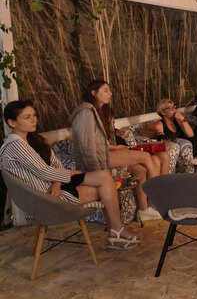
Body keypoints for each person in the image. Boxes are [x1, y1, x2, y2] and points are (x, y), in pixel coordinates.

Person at [0, 100, 140, 249]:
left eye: (34, 115)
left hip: (55, 185)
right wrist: (70, 173)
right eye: (27, 117)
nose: (33, 120)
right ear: (12, 122)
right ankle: (116, 231)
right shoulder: (15, 145)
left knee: (104, 176)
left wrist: (57, 182)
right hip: (46, 198)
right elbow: (44, 171)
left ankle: (116, 230)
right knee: (105, 188)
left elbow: (56, 164)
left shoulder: (32, 140)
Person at [70, 80, 167, 221]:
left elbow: (100, 137)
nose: (110, 93)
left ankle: (145, 209)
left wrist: (116, 134)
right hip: (101, 157)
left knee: (142, 168)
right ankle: (159, 200)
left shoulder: (99, 111)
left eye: (109, 90)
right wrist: (97, 169)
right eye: (105, 90)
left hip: (106, 154)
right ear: (93, 93)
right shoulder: (86, 112)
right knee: (146, 157)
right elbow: (88, 145)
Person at [140, 99, 194, 173]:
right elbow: (142, 132)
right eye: (170, 108)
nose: (174, 110)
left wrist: (182, 118)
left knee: (187, 144)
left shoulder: (177, 121)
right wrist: (153, 134)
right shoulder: (158, 125)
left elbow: (191, 134)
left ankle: (188, 175)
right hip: (165, 149)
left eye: (174, 107)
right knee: (175, 147)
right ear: (163, 112)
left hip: (176, 147)